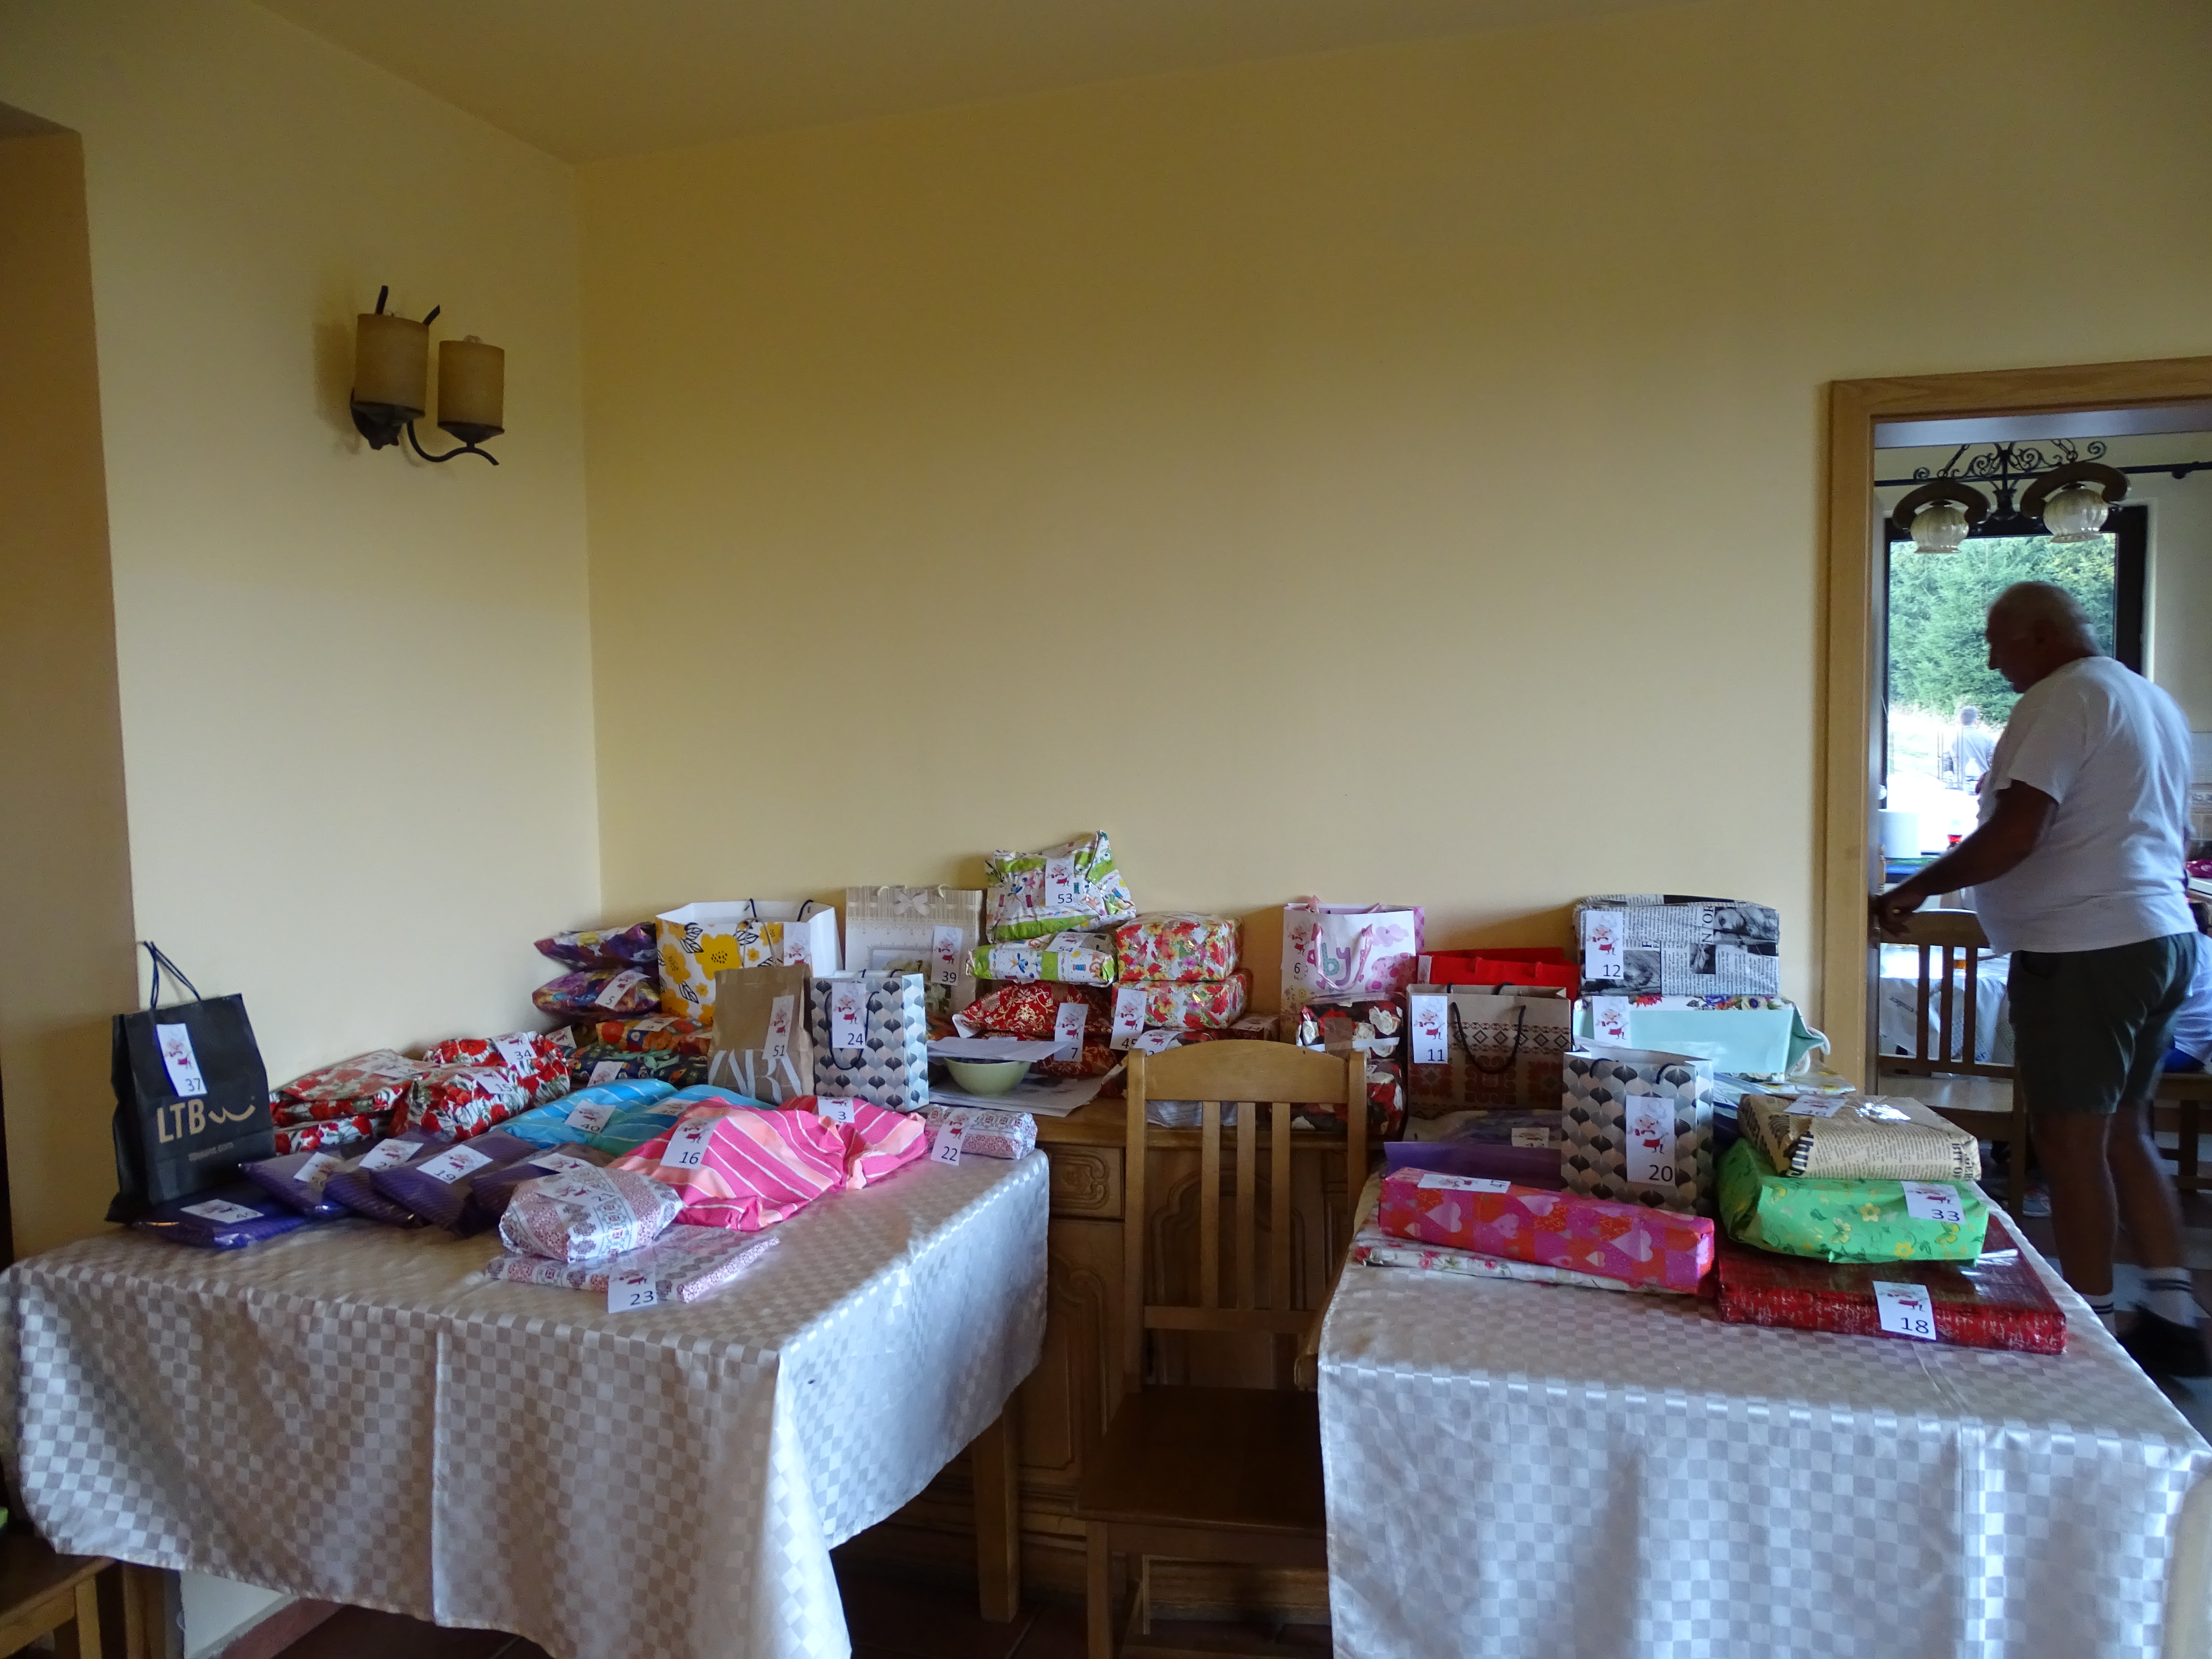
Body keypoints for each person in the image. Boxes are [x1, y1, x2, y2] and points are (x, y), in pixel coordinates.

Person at [1876, 582, 2203, 1375]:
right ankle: (2173, 1315)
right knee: (2123, 1128)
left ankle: (2088, 1332)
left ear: (2041, 634)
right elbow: (2174, 831)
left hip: (2087, 946)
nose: (1993, 663)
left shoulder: (2064, 697)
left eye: (1999, 644)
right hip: (2160, 934)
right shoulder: (2147, 699)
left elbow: (2018, 829)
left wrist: (1912, 890)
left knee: (2066, 1137)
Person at [1945, 704, 1996, 791]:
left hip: (1961, 785)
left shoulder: (1952, 738)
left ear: (1960, 720)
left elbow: (1946, 764)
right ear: (1976, 722)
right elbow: (1995, 762)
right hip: (1983, 785)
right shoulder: (1988, 738)